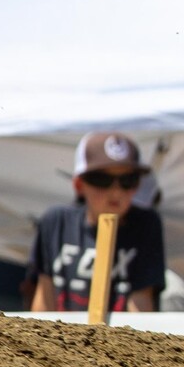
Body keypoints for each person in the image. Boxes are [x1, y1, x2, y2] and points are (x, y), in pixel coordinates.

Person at [24, 132, 163, 312]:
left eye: (128, 180)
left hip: (119, 331)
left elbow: (141, 303)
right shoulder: (56, 222)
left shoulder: (146, 225)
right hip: (61, 330)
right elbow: (44, 296)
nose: (116, 191)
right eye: (102, 180)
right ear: (79, 185)